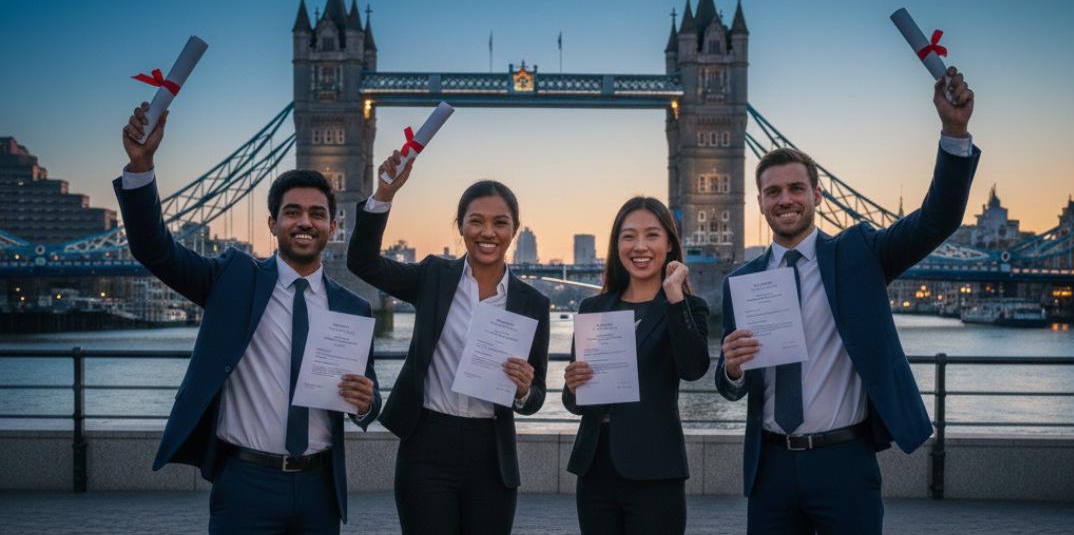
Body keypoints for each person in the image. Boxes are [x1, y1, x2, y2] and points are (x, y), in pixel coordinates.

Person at [716, 67, 979, 534]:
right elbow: (731, 380)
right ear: (759, 202)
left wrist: (953, 133)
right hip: (771, 467)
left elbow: (937, 220)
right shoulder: (742, 282)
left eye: (797, 188)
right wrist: (732, 368)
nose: (785, 199)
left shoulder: (861, 254)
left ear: (817, 194)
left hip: (844, 461)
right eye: (773, 191)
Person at [116, 102, 381, 535]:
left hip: (320, 488)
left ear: (333, 227)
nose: (305, 222)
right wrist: (141, 165)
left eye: (317, 214)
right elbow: (154, 249)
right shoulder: (231, 279)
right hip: (245, 483)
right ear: (273, 223)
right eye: (292, 212)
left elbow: (365, 401)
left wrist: (367, 402)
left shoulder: (353, 308)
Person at [346, 150, 550, 535]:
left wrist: (524, 391)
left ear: (514, 230)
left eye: (500, 223)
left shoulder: (533, 304)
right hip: (426, 445)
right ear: (460, 226)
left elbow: (536, 395)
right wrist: (384, 195)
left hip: (492, 453)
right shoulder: (433, 277)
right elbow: (363, 263)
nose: (487, 232)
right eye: (476, 221)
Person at [562, 197, 711, 535]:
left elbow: (693, 368)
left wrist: (675, 296)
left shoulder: (688, 307)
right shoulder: (592, 307)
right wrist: (572, 385)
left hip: (656, 470)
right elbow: (574, 404)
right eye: (628, 236)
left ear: (669, 243)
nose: (639, 246)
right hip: (594, 468)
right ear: (616, 245)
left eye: (652, 235)